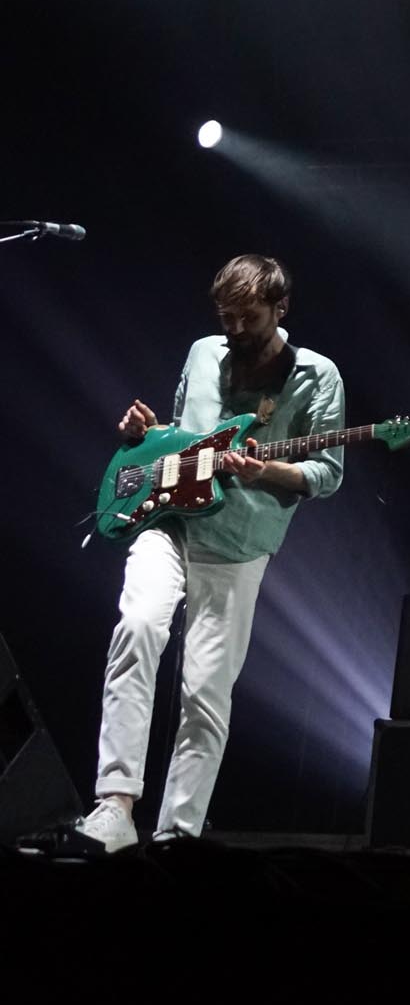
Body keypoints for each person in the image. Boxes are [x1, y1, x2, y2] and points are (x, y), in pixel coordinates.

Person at [77, 255, 345, 851]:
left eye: (250, 317)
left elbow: (327, 473)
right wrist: (144, 437)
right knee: (137, 626)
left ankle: (178, 834)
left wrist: (266, 469)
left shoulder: (316, 376)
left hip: (238, 542)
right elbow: (181, 432)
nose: (237, 329)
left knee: (204, 692)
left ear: (280, 308)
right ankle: (114, 806)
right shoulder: (203, 353)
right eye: (227, 318)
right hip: (168, 522)